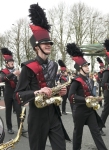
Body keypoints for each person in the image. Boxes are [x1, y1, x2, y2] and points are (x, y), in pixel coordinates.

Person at [14, 4, 70, 150]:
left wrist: (60, 92)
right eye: (44, 43)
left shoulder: (54, 66)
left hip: (53, 114)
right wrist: (37, 92)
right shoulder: (27, 67)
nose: (49, 45)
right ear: (36, 47)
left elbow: (52, 88)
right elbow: (18, 95)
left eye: (50, 43)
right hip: (37, 117)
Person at [67, 43, 108, 150]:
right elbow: (70, 96)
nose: (87, 67)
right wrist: (85, 99)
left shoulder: (89, 79)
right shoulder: (76, 81)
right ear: (80, 68)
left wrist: (96, 99)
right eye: (85, 66)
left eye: (87, 65)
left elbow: (90, 94)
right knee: (78, 134)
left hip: (90, 111)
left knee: (96, 133)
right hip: (79, 111)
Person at [0, 48, 24, 134]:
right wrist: (13, 74)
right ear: (6, 63)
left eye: (12, 61)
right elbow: (2, 79)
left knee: (19, 111)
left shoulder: (16, 71)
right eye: (10, 61)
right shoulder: (3, 71)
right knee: (8, 111)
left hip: (16, 93)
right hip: (8, 94)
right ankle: (9, 127)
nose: (12, 62)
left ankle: (20, 127)